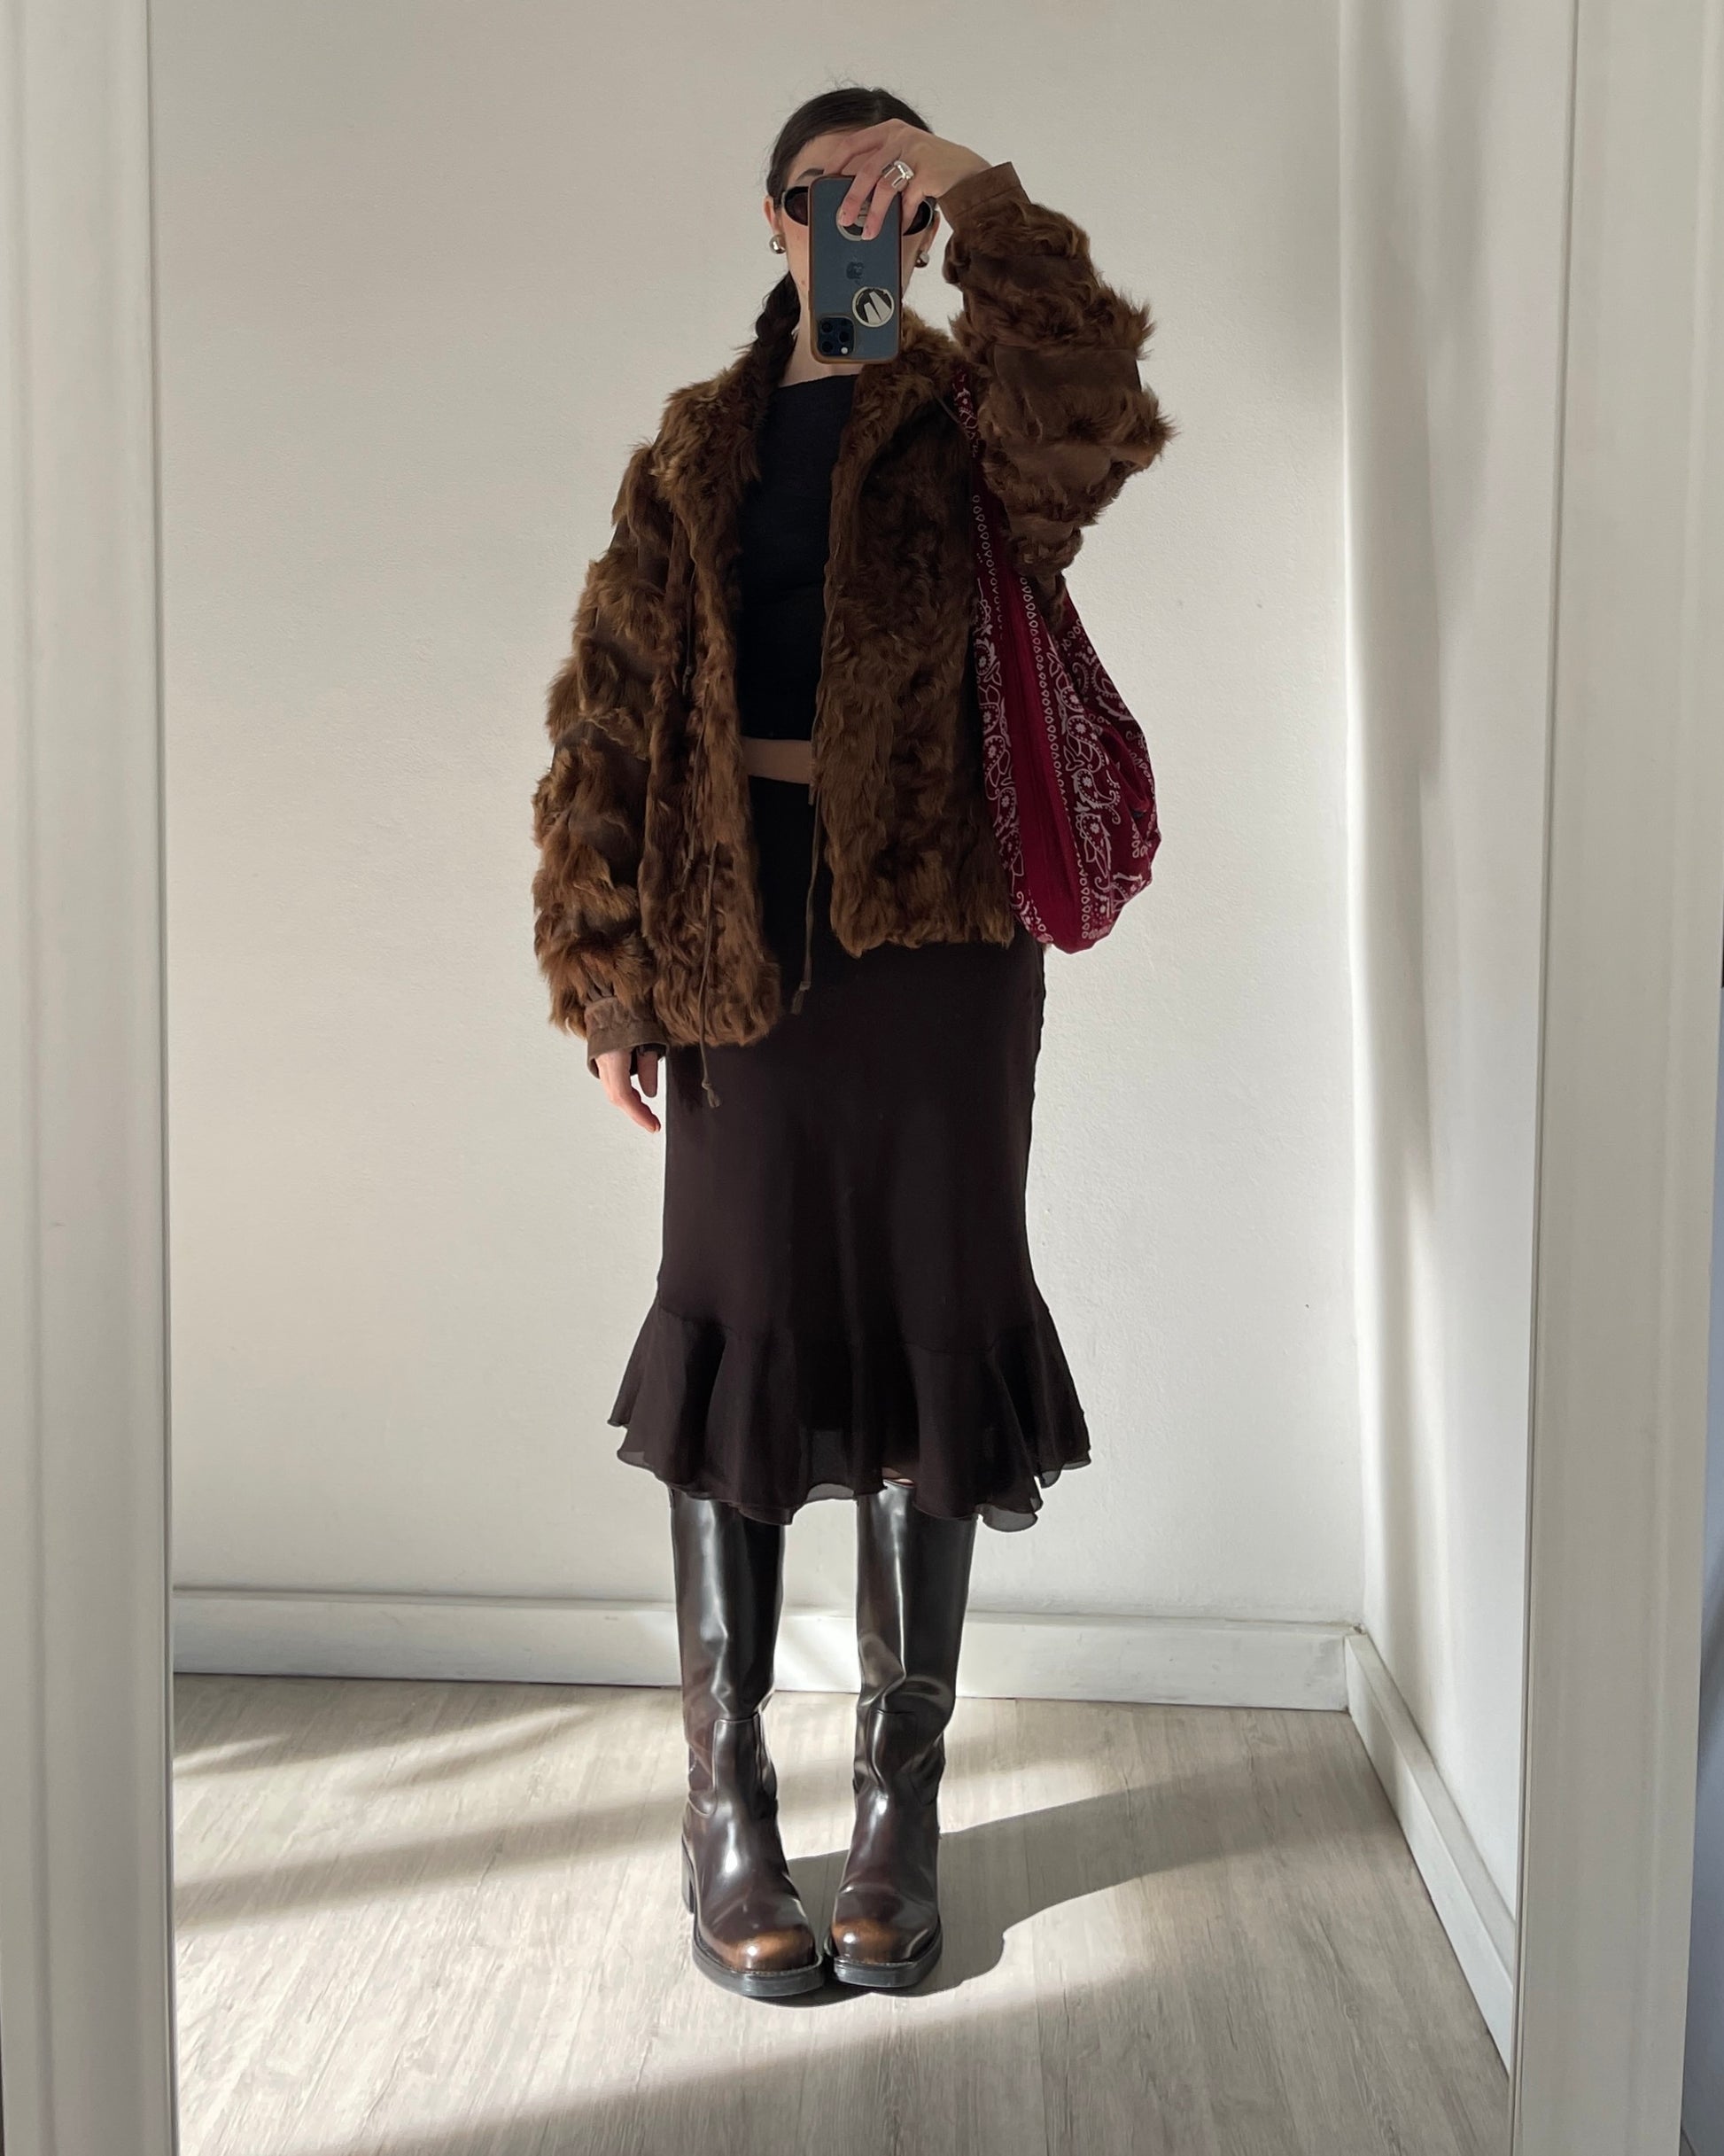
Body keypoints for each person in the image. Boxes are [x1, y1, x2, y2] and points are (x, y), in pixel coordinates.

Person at [530, 85, 1169, 1999]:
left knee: (935, 1329)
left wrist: (983, 188)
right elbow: (610, 716)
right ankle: (724, 1804)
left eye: (897, 187)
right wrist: (604, 974)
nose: (867, 214)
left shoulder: (978, 426)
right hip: (736, 932)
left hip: (943, 945)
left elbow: (1098, 396)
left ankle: (900, 1806)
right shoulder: (695, 447)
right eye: (836, 189)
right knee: (735, 1336)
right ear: (775, 218)